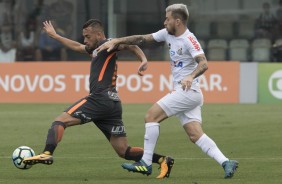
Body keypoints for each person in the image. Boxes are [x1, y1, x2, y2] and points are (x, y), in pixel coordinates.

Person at [97, 3, 238, 179]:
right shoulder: (167, 34)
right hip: (187, 93)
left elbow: (204, 63)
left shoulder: (189, 39)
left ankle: (146, 163)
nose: (164, 22)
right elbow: (141, 38)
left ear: (177, 21)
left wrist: (190, 76)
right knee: (195, 134)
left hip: (187, 90)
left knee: (151, 116)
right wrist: (118, 40)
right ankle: (226, 162)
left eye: (168, 19)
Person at [23, 19, 174, 179]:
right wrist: (55, 36)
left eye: (88, 36)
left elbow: (131, 45)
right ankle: (163, 160)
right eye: (84, 37)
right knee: (123, 150)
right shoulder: (96, 50)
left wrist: (143, 60)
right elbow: (76, 46)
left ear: (99, 34)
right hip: (112, 104)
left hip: (99, 99)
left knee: (60, 121)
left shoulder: (108, 43)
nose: (85, 40)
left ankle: (47, 153)